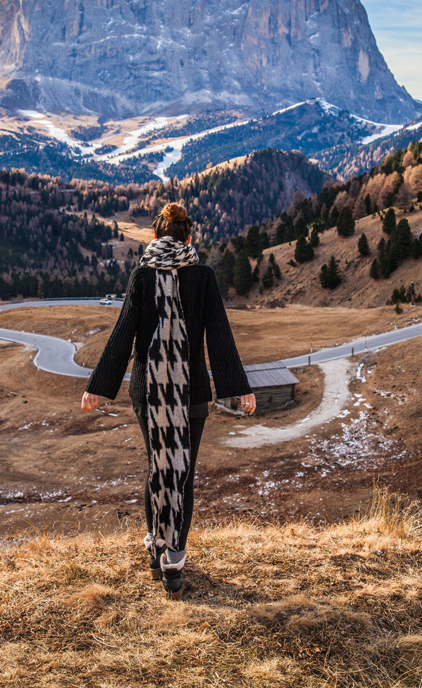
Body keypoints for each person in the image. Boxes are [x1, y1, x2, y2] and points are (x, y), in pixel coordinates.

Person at [81, 203, 255, 599]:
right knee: (182, 473)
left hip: (148, 393)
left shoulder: (143, 275)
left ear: (155, 238)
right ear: (189, 238)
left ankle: (156, 551)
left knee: (158, 467)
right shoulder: (204, 276)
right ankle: (173, 561)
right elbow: (220, 335)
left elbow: (122, 335)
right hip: (191, 394)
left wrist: (97, 386)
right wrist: (240, 388)